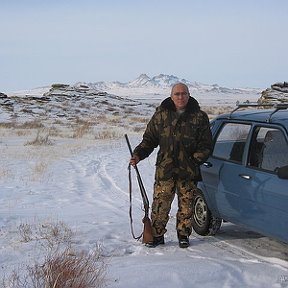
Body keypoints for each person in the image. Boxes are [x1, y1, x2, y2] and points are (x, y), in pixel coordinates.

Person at [129, 83, 213, 248]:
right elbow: (149, 140)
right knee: (160, 205)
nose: (180, 97)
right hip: (165, 170)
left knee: (186, 206)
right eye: (177, 94)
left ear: (189, 95)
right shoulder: (161, 115)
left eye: (183, 94)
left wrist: (194, 161)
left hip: (188, 172)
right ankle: (157, 235)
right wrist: (138, 155)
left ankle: (183, 235)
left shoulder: (199, 116)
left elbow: (206, 145)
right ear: (171, 95)